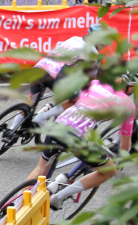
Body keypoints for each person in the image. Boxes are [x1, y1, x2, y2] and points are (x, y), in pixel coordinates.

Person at [25, 76, 135, 210]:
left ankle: (16, 202)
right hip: (78, 138)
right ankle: (57, 198)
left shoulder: (96, 83)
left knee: (40, 168)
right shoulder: (128, 104)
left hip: (59, 125)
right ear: (129, 86)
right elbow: (125, 146)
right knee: (109, 171)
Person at [11, 29, 99, 130]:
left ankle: (12, 129)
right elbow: (91, 80)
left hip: (40, 68)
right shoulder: (93, 53)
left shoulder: (74, 38)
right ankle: (42, 117)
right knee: (75, 99)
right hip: (55, 75)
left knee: (32, 100)